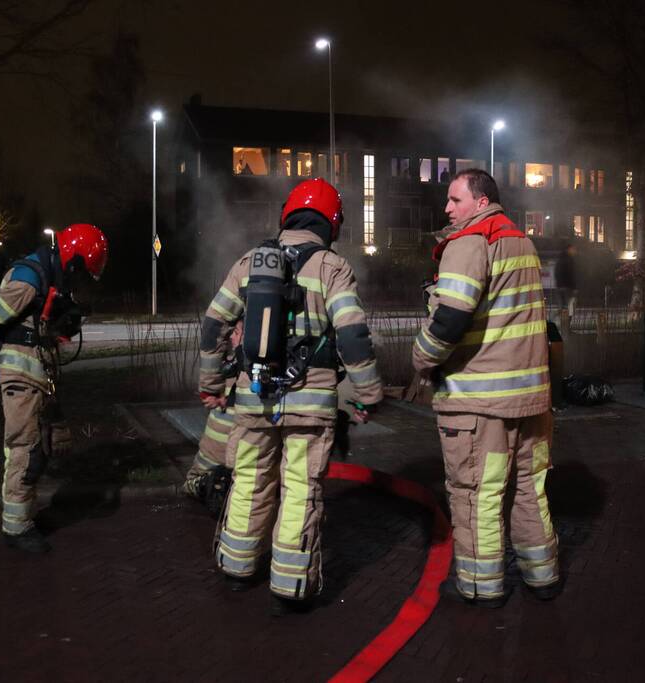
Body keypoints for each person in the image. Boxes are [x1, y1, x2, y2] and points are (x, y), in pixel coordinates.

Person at [200, 178, 383, 615]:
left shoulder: (248, 262)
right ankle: (290, 586)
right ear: (331, 222)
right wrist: (368, 391)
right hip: (310, 402)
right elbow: (353, 335)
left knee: (250, 479)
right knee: (300, 489)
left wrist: (212, 385)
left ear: (287, 214)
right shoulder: (332, 267)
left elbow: (212, 326)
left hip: (254, 399)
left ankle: (238, 568)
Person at [412, 169, 561, 607]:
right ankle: (544, 576)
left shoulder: (469, 243)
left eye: (455, 199)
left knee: (478, 492)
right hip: (532, 400)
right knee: (530, 491)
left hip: (481, 403)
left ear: (480, 202)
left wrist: (420, 359)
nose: (447, 208)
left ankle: (480, 585)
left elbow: (450, 318)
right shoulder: (522, 242)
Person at [0, 223, 108, 553]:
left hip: (36, 373)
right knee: (25, 451)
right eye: (82, 272)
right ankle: (15, 529)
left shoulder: (48, 276)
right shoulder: (29, 282)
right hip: (20, 376)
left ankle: (23, 515)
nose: (81, 281)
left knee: (38, 448)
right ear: (73, 261)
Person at [183, 321, 243, 517]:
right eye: (232, 332)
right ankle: (215, 487)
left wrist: (213, 395)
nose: (232, 338)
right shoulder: (241, 361)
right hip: (224, 440)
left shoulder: (236, 361)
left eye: (236, 333)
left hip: (221, 438)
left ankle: (213, 486)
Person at [554, 240, 577, 317]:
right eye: (573, 249)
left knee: (563, 307)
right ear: (569, 249)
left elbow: (556, 273)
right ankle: (566, 325)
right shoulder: (569, 260)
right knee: (569, 307)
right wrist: (574, 287)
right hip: (567, 287)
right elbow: (571, 274)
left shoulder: (559, 259)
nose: (574, 251)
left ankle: (561, 322)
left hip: (559, 286)